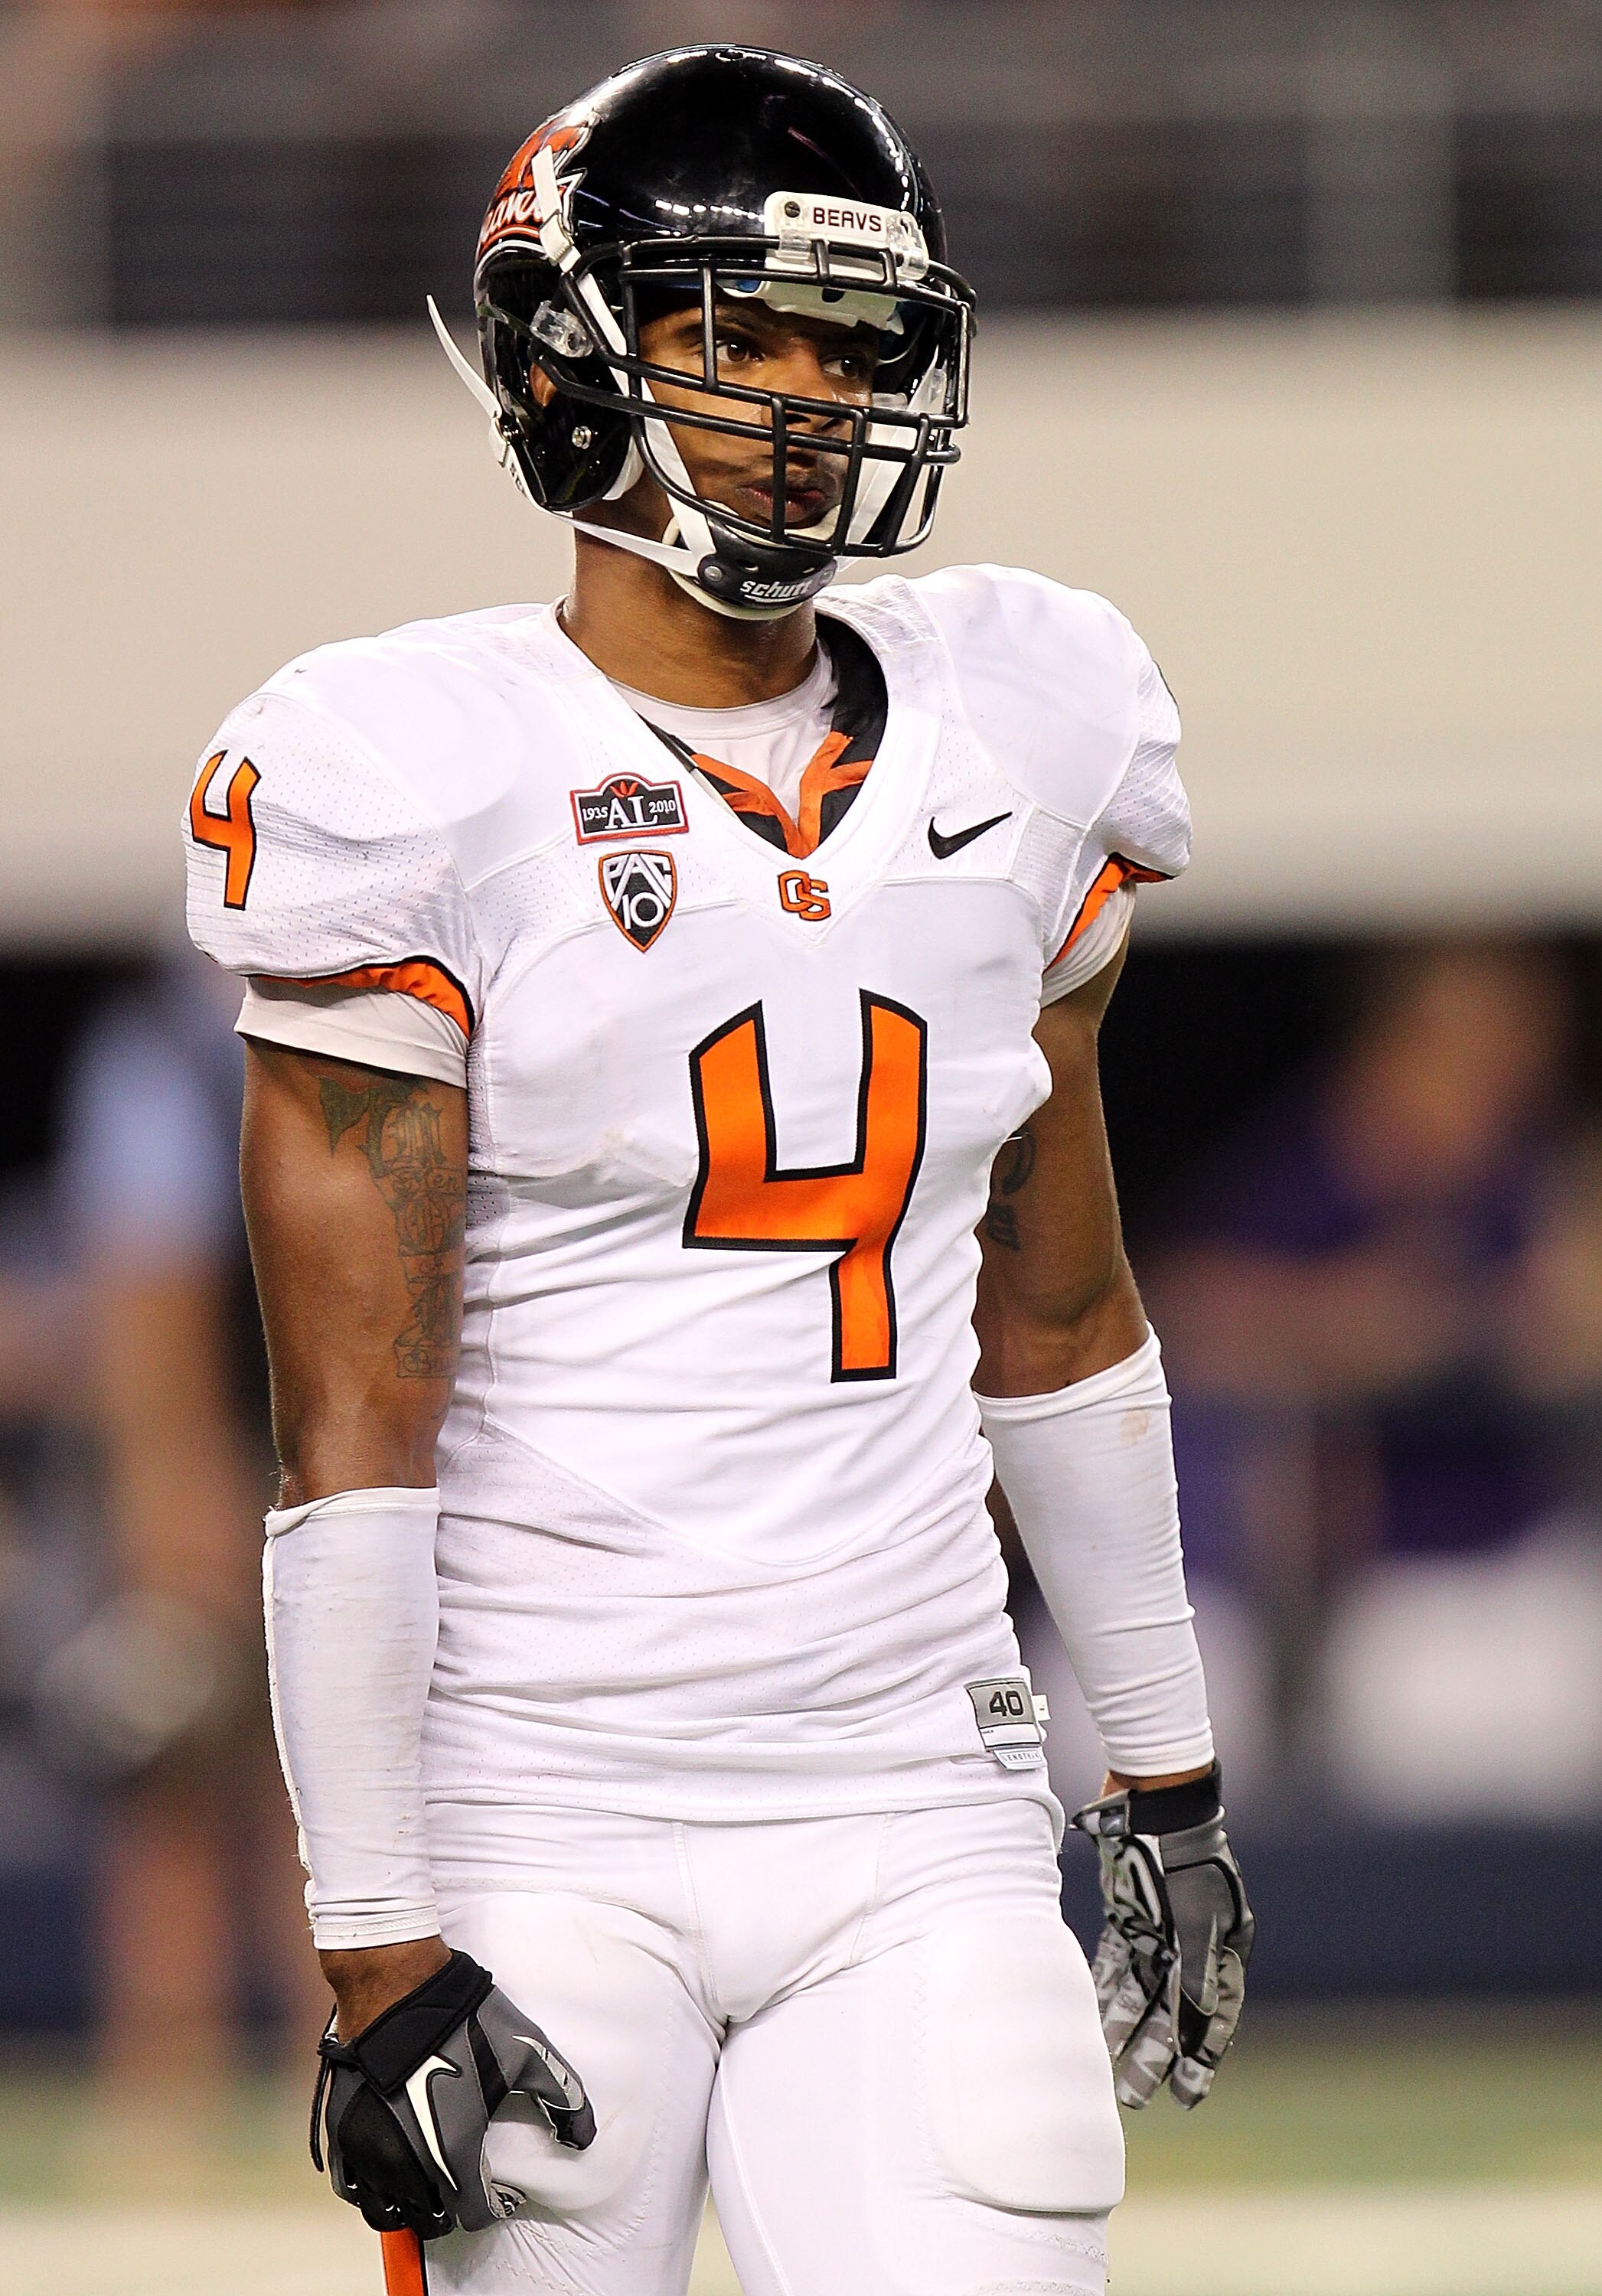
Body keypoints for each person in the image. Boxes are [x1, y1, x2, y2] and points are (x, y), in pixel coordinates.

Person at [183, 47, 1251, 2296]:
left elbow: (1056, 1312)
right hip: (538, 1807)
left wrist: (1159, 1771)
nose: (805, 394)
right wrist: (373, 1938)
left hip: (915, 1794)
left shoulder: (1024, 724)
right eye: (731, 332)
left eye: (850, 339)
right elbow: (349, 1430)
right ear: (575, 363)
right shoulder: (411, 773)